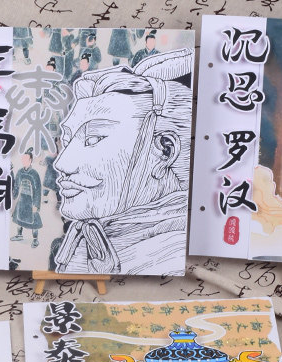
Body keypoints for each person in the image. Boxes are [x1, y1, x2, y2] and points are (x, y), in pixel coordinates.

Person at [52, 48, 193, 274]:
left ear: (164, 151)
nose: (62, 164)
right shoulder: (88, 241)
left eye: (93, 139)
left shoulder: (170, 258)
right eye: (67, 141)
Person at [11, 148, 43, 247]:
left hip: (31, 200)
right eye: (23, 159)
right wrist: (14, 196)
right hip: (22, 199)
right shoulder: (20, 172)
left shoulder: (34, 174)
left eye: (26, 159)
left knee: (34, 221)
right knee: (19, 218)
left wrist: (36, 205)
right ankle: (19, 235)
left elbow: (37, 190)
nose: (23, 161)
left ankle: (35, 240)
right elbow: (16, 186)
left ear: (30, 160)